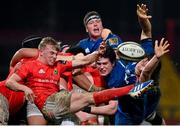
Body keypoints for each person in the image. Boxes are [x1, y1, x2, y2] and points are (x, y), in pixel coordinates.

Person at [4, 36, 151, 124]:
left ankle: (132, 88)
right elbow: (12, 78)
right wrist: (25, 88)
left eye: (56, 53)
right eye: (52, 53)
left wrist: (97, 53)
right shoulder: (27, 64)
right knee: (88, 98)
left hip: (55, 103)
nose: (55, 56)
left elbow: (81, 61)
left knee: (89, 98)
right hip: (43, 105)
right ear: (40, 52)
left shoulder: (58, 66)